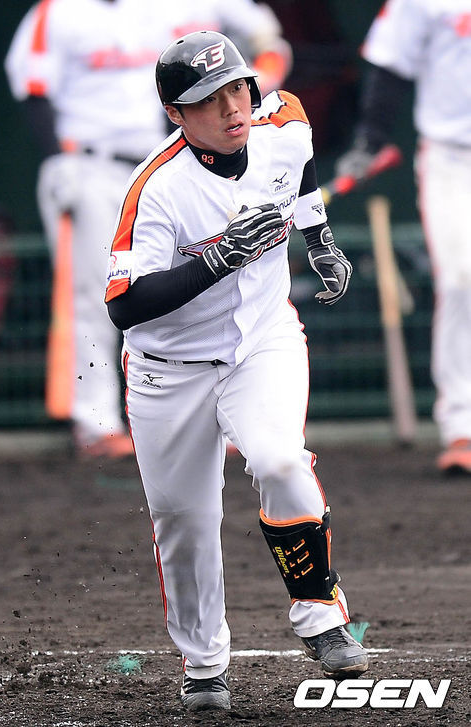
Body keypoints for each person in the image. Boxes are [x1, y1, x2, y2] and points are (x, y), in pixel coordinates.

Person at [105, 30, 368, 711]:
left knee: (280, 459)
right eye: (209, 99)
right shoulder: (156, 188)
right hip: (169, 367)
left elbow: (299, 172)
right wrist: (217, 258)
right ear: (175, 114)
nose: (232, 108)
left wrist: (320, 239)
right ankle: (204, 666)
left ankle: (321, 613)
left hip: (262, 339)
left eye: (238, 89)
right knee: (184, 522)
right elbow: (124, 305)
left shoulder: (283, 121)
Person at [4, 0, 291, 459]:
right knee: (98, 295)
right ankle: (96, 423)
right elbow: (33, 89)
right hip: (89, 164)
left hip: (166, 163)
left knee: (199, 288)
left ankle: (217, 420)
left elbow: (261, 32)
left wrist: (263, 73)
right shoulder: (58, 12)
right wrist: (57, 158)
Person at [335, 0, 471, 475]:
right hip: (452, 157)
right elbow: (391, 62)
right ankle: (463, 424)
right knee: (460, 281)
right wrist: (369, 140)